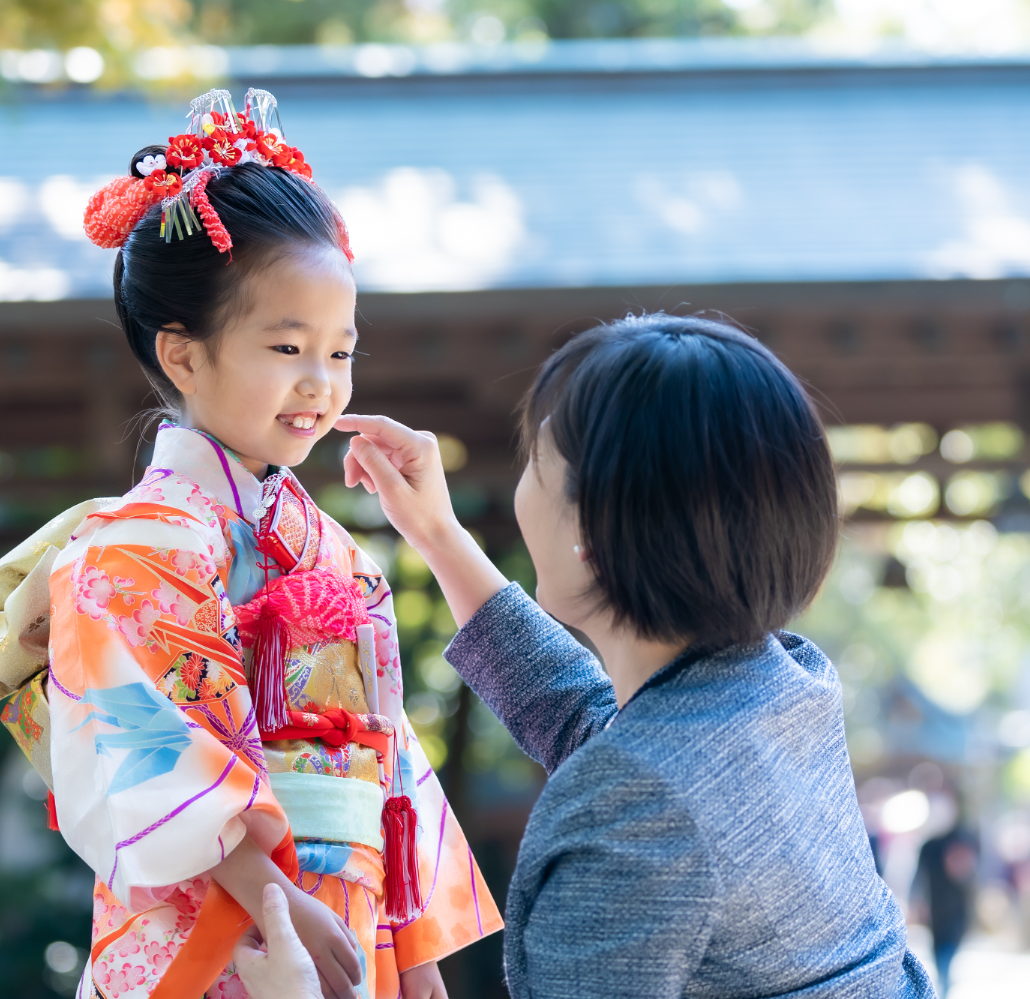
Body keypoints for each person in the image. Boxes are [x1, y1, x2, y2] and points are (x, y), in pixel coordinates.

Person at [0, 89, 500, 999]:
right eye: (287, 347)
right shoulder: (127, 553)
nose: (320, 384)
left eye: (341, 352)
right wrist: (276, 891)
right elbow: (141, 758)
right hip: (216, 925)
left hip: (346, 920)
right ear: (182, 355)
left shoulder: (342, 555)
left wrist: (417, 959)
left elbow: (390, 763)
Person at [336, 313, 936, 998]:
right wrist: (439, 534)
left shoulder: (632, 809)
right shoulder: (787, 683)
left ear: (589, 528)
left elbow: (631, 774)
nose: (522, 478)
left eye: (535, 458)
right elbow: (603, 727)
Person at [913, 809, 978, 994]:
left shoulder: (961, 840)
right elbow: (919, 878)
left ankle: (944, 988)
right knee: (939, 954)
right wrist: (917, 903)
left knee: (946, 957)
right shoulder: (928, 847)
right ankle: (943, 987)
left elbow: (968, 874)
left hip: (956, 910)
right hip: (936, 909)